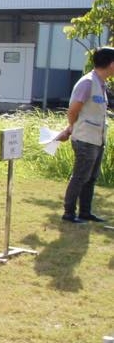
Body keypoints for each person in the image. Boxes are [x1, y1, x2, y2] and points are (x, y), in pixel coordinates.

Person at [58, 46, 114, 223]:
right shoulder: (88, 82)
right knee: (81, 176)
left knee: (91, 177)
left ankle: (85, 212)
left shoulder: (100, 84)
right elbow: (73, 110)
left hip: (97, 138)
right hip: (85, 138)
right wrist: (72, 127)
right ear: (111, 64)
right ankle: (69, 212)